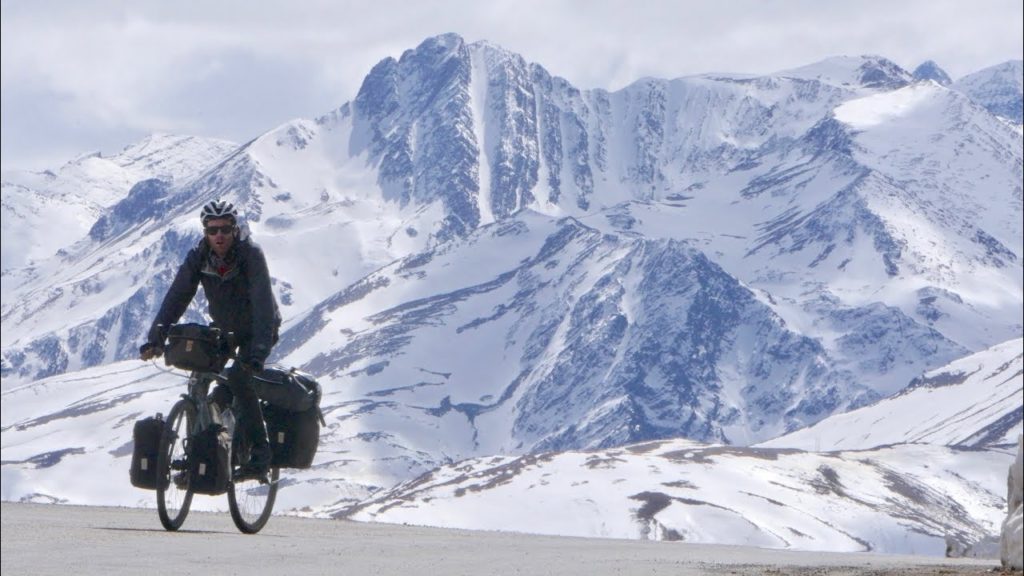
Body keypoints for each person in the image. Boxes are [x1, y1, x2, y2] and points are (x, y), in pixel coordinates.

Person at [139, 200, 282, 479]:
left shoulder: (250, 255)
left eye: (225, 230)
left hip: (258, 329)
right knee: (201, 377)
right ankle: (201, 458)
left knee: (241, 379)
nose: (219, 235)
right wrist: (156, 339)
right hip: (226, 328)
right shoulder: (199, 257)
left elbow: (264, 306)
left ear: (235, 230)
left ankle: (260, 454)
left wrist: (258, 353)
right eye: (213, 229)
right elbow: (176, 297)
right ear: (205, 231)